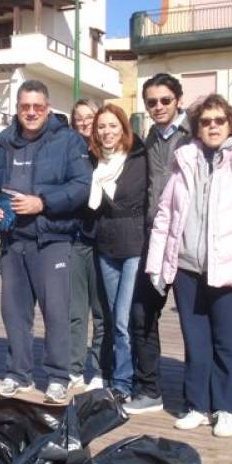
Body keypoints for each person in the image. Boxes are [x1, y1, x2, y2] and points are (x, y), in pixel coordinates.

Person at [146, 94, 232, 437]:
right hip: (188, 268)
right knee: (195, 342)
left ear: (230, 124)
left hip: (229, 268)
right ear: (197, 127)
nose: (212, 126)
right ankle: (197, 405)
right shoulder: (184, 159)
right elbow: (166, 215)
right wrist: (157, 265)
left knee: (226, 343)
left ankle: (227, 407)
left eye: (219, 120)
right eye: (205, 121)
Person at [0, 80, 91, 404]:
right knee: (14, 312)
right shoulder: (3, 142)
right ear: (16, 109)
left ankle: (59, 376)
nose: (31, 112)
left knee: (57, 311)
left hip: (52, 239)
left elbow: (82, 186)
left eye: (37, 107)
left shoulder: (68, 140)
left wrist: (43, 202)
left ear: (47, 108)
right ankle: (19, 374)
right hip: (12, 240)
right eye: (24, 106)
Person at [125, 73, 192, 415]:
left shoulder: (197, 133)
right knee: (142, 314)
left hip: (190, 240)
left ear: (178, 99)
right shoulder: (148, 138)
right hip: (154, 238)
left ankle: (198, 398)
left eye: (165, 100)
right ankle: (150, 389)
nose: (158, 107)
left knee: (194, 323)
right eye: (151, 102)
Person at [87, 103, 147, 404]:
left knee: (123, 319)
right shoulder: (93, 161)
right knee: (111, 318)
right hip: (106, 247)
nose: (106, 132)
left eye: (113, 125)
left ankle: (125, 383)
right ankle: (114, 375)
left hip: (134, 247)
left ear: (124, 128)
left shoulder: (138, 156)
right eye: (101, 127)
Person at [68, 99, 111, 392]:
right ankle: (73, 367)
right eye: (79, 118)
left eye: (90, 117)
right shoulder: (69, 152)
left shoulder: (108, 152)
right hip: (74, 238)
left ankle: (99, 367)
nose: (85, 122)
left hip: (104, 240)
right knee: (74, 309)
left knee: (101, 311)